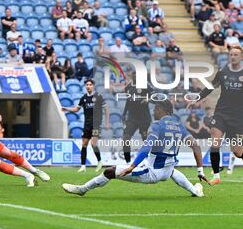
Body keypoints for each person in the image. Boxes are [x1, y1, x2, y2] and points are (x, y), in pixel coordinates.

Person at [62, 100, 208, 197]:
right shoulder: (180, 126)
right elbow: (196, 146)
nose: (153, 112)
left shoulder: (157, 125)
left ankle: (82, 190)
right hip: (168, 170)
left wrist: (132, 166)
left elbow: (147, 147)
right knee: (173, 172)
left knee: (109, 171)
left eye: (156, 109)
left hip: (152, 172)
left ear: (162, 109)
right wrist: (200, 170)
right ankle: (196, 191)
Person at [187, 46, 243, 185]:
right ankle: (216, 176)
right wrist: (197, 99)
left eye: (236, 54)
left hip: (238, 117)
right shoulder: (223, 72)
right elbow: (210, 87)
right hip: (221, 113)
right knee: (215, 141)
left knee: (237, 152)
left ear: (241, 57)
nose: (233, 56)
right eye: (231, 54)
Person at [62, 79, 109, 173]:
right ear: (85, 86)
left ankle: (99, 161)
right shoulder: (83, 98)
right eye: (87, 85)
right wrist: (66, 108)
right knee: (84, 144)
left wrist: (107, 123)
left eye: (90, 84)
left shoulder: (98, 96)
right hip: (87, 124)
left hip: (96, 124)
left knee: (93, 144)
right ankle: (83, 166)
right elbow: (76, 109)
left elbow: (106, 109)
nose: (88, 86)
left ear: (93, 86)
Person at [122, 71, 153, 163]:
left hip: (144, 117)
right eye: (134, 75)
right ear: (132, 76)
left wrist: (148, 99)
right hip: (132, 118)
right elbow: (128, 101)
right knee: (126, 138)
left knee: (145, 139)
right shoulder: (128, 88)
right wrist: (124, 114)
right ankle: (127, 162)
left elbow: (153, 95)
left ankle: (149, 161)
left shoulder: (145, 84)